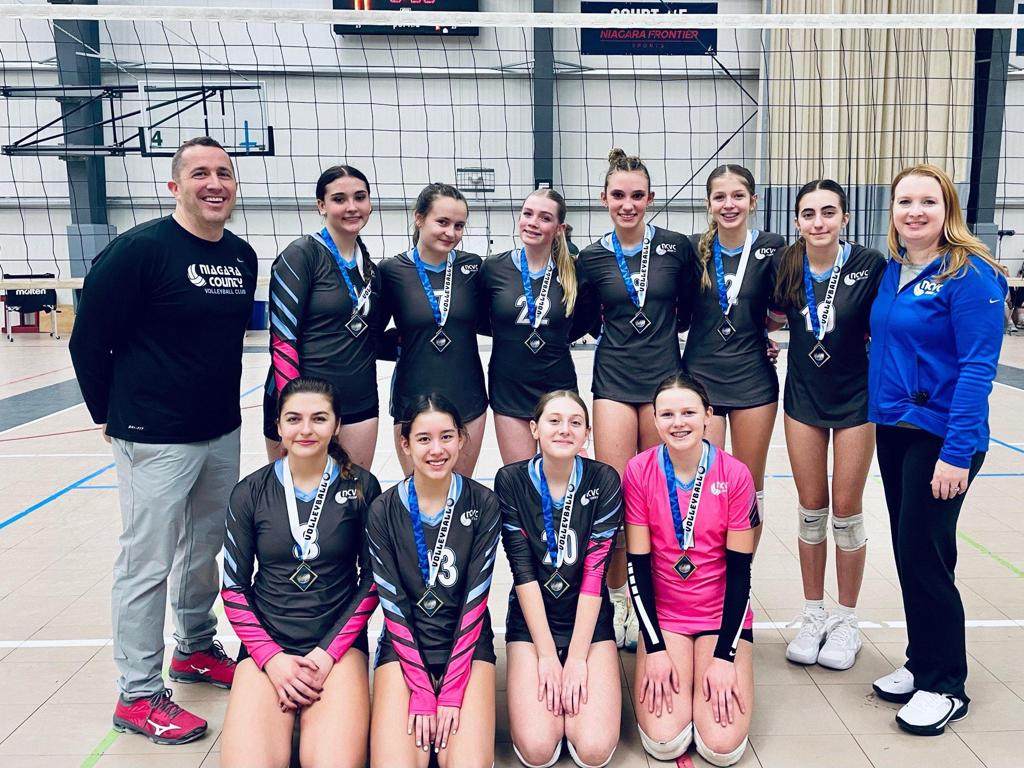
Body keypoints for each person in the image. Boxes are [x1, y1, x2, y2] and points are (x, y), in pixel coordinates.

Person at [69, 136, 256, 744]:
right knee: (146, 562)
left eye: (223, 173)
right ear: (174, 186)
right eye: (199, 173)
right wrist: (107, 412)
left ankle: (194, 648)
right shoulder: (140, 251)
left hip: (220, 430)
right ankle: (138, 694)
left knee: (205, 550)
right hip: (155, 435)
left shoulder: (241, 256)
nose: (214, 183)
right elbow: (87, 339)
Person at [869, 164, 1007, 735]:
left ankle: (947, 684)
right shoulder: (894, 270)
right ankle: (921, 660)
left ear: (948, 208)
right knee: (911, 553)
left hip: (942, 435)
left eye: (927, 201)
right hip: (896, 429)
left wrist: (955, 452)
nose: (915, 212)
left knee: (926, 557)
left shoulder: (970, 275)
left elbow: (978, 369)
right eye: (905, 202)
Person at [220, 377, 380, 768]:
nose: (306, 429)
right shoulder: (250, 492)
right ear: (278, 425)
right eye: (294, 419)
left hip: (336, 647)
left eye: (319, 418)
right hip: (268, 644)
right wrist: (271, 658)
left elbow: (374, 581)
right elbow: (234, 588)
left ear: (337, 425)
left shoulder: (362, 487)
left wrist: (327, 654)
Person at [577, 148, 698, 650]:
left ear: (651, 198)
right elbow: (582, 319)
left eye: (637, 195)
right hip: (613, 381)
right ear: (603, 198)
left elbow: (691, 310)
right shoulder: (591, 257)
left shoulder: (676, 247)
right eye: (618, 195)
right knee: (616, 495)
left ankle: (657, 595)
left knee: (660, 497)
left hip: (664, 383)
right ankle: (617, 599)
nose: (628, 204)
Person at [771, 180, 886, 670]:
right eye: (808, 213)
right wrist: (764, 341)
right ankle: (814, 613)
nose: (818, 222)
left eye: (828, 212)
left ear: (844, 218)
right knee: (811, 509)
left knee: (846, 511)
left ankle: (847, 620)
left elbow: (889, 322)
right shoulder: (787, 264)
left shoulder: (869, 264)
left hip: (856, 398)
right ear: (797, 220)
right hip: (803, 397)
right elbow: (768, 316)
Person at [624, 374, 758, 767]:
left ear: (708, 416)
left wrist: (725, 657)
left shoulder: (735, 474)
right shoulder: (638, 471)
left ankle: (710, 666)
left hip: (720, 616)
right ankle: (682, 668)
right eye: (667, 414)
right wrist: (655, 648)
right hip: (666, 618)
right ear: (654, 420)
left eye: (688, 412)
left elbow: (741, 573)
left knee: (721, 748)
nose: (678, 422)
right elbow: (637, 568)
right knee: (664, 742)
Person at [367, 394, 500, 768]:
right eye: (424, 439)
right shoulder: (383, 510)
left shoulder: (483, 503)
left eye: (446, 437)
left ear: (461, 439)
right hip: (404, 646)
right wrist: (422, 690)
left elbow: (475, 601)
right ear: (405, 444)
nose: (437, 449)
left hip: (467, 645)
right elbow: (393, 607)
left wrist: (452, 690)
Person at [496, 391, 622, 768]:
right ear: (534, 429)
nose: (564, 429)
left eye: (575, 422)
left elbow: (595, 576)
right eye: (554, 421)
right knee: (538, 749)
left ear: (586, 434)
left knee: (594, 749)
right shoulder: (511, 480)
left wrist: (578, 658)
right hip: (532, 624)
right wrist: (548, 656)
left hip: (588, 622)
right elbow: (523, 573)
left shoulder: (604, 479)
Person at [684, 165, 785, 546]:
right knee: (704, 482)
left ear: (753, 201)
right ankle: (708, 568)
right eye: (720, 197)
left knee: (747, 483)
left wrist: (763, 333)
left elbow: (782, 306)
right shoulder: (693, 249)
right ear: (709, 204)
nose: (729, 204)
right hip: (700, 380)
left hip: (753, 380)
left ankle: (742, 572)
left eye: (738, 196)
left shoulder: (772, 247)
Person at [263, 165, 381, 469]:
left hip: (359, 402)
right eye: (339, 199)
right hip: (306, 405)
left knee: (353, 493)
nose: (352, 207)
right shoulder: (301, 255)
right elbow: (282, 340)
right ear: (321, 206)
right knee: (301, 494)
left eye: (360, 197)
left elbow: (371, 338)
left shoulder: (371, 270)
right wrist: (294, 409)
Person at [378, 183, 489, 476]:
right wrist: (406, 344)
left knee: (460, 490)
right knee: (419, 492)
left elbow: (494, 321)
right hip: (412, 396)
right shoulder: (391, 271)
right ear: (419, 218)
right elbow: (371, 335)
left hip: (468, 397)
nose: (451, 232)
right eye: (442, 222)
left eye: (459, 225)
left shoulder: (472, 267)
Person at [482, 189, 597, 464]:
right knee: (519, 477)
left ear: (559, 229)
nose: (533, 223)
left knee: (560, 474)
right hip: (510, 389)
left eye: (544, 218)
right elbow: (481, 318)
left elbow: (584, 321)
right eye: (528, 214)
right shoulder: (493, 268)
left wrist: (555, 335)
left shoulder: (575, 271)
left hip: (557, 387)